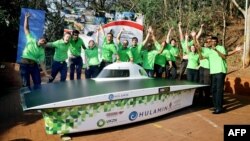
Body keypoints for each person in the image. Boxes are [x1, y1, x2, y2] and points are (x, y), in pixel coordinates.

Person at [202, 36, 241, 114]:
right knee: (213, 90)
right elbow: (201, 57)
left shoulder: (220, 47)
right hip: (213, 72)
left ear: (217, 42)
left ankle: (219, 108)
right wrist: (195, 38)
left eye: (214, 41)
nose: (213, 42)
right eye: (212, 41)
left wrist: (216, 50)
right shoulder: (209, 50)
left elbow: (224, 56)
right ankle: (216, 106)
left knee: (219, 90)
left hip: (220, 71)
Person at [20, 12, 50, 90]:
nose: (43, 42)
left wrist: (46, 74)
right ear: (39, 39)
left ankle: (37, 99)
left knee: (38, 83)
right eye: (42, 40)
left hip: (34, 66)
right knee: (26, 85)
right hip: (25, 64)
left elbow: (42, 63)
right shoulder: (31, 39)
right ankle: (25, 101)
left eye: (44, 42)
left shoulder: (41, 51)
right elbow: (26, 29)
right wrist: (26, 18)